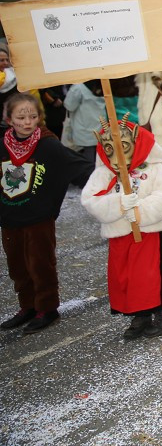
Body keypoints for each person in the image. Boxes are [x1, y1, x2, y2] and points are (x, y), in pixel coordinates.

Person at [81, 115, 162, 340]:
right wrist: (117, 204)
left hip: (147, 232)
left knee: (153, 273)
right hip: (119, 233)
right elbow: (89, 199)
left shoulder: (156, 167)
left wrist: (138, 211)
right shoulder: (105, 170)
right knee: (126, 277)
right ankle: (140, 313)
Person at [1, 94, 94, 334]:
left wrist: (104, 182)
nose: (26, 122)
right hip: (9, 217)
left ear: (40, 118)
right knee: (17, 266)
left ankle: (47, 307)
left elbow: (79, 167)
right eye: (20, 117)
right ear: (9, 119)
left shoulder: (48, 144)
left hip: (38, 218)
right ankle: (28, 306)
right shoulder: (1, 144)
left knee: (40, 263)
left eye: (32, 116)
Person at [63, 80, 107, 162]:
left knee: (88, 160)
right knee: (100, 158)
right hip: (100, 126)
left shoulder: (78, 88)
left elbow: (69, 105)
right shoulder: (102, 83)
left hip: (84, 129)